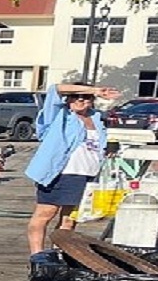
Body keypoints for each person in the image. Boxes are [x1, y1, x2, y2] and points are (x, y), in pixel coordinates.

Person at [24, 81, 122, 256]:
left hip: (86, 174)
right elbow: (56, 88)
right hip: (61, 173)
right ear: (68, 99)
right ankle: (37, 256)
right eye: (75, 96)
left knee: (70, 219)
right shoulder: (59, 114)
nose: (80, 100)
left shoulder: (96, 118)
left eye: (85, 97)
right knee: (45, 214)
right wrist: (95, 90)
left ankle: (60, 255)